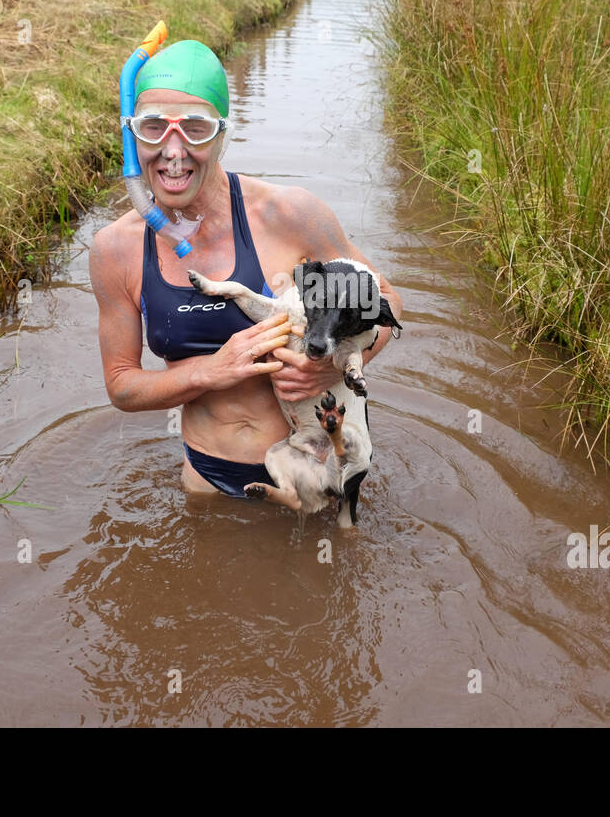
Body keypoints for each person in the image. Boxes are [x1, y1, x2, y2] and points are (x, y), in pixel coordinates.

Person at [89, 41, 403, 506]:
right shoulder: (115, 249)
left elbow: (388, 303)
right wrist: (212, 371)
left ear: (222, 135)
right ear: (133, 136)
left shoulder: (289, 215)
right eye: (153, 128)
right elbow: (121, 385)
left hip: (316, 469)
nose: (173, 152)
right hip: (205, 478)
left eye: (195, 129)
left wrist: (331, 370)